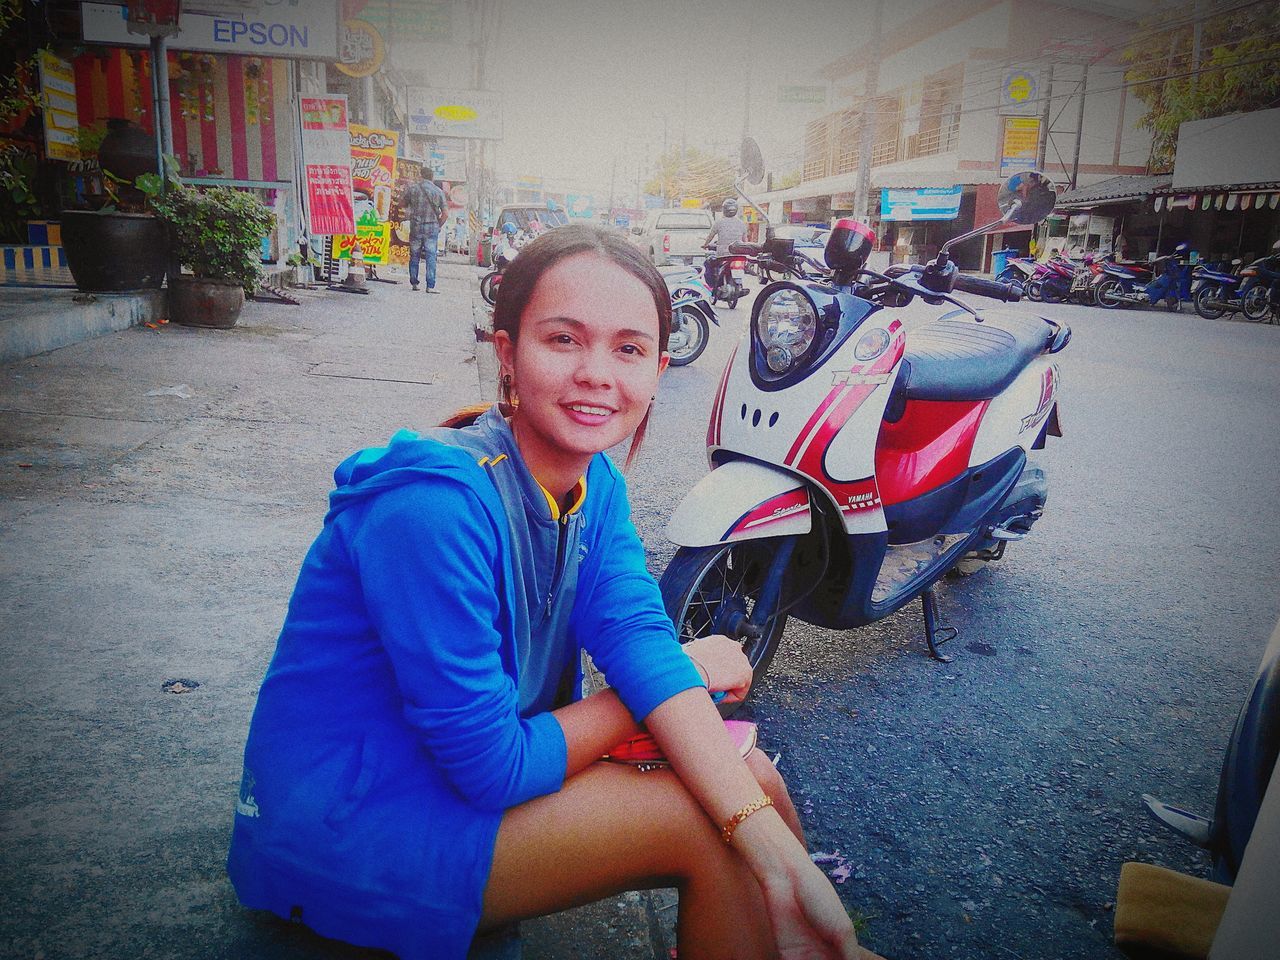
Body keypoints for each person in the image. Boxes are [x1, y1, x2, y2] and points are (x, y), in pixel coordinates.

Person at [226, 224, 871, 960]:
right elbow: (494, 766)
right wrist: (684, 673)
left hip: (446, 789)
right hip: (347, 826)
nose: (598, 373)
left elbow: (635, 636)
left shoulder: (595, 488)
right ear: (507, 353)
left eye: (628, 349)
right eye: (563, 339)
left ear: (659, 367)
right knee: (703, 822)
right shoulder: (431, 507)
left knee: (746, 781)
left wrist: (779, 857)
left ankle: (801, 925)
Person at [405, 167, 447, 292]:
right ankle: (430, 286)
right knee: (431, 256)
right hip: (431, 228)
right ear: (432, 177)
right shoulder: (438, 191)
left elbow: (402, 204)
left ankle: (414, 283)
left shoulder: (412, 189)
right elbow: (445, 214)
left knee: (414, 255)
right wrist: (438, 225)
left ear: (421, 175)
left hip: (416, 226)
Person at [703, 197, 748, 291]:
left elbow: (710, 236)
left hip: (722, 255)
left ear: (724, 210)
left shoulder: (719, 222)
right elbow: (745, 240)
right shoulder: (741, 223)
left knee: (708, 263)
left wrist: (705, 245)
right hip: (739, 254)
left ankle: (712, 287)